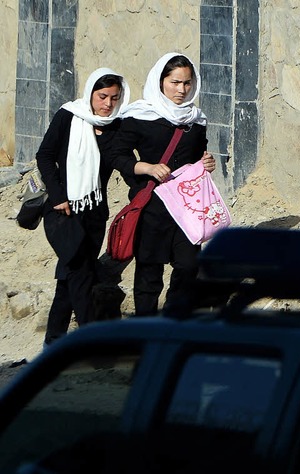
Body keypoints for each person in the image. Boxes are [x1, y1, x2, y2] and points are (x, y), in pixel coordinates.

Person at [108, 52, 216, 317]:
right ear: (160, 81)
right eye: (175, 82)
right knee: (149, 270)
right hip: (152, 205)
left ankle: (172, 319)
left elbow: (196, 157)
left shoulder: (195, 120)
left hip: (186, 207)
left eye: (187, 83)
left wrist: (206, 161)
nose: (181, 90)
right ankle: (145, 329)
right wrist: (147, 168)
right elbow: (116, 155)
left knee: (189, 265)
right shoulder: (139, 116)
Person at [36, 68, 130, 346]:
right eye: (102, 96)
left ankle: (54, 342)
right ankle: (91, 342)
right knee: (81, 274)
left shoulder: (116, 126)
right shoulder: (69, 115)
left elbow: (123, 162)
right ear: (90, 93)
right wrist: (57, 196)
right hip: (64, 211)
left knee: (70, 275)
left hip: (95, 212)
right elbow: (45, 156)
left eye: (114, 98)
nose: (108, 104)